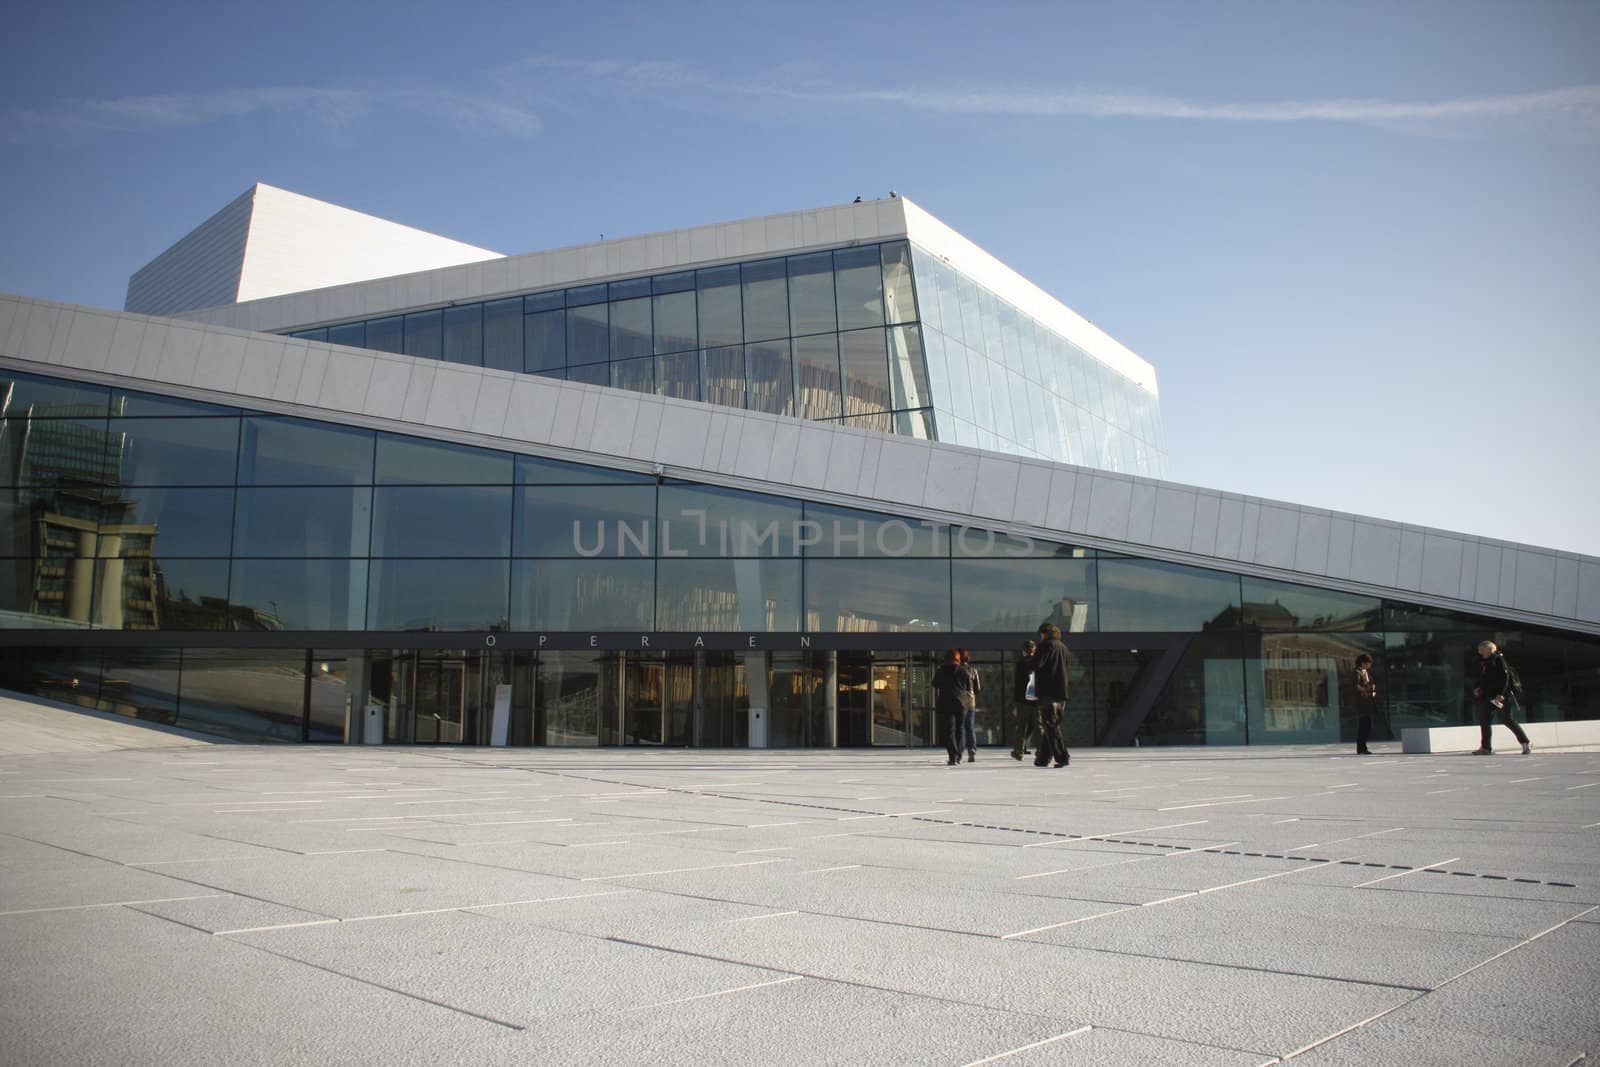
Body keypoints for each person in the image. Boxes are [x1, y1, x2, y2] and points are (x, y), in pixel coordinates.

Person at [1471, 640, 1531, 755]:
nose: (1480, 653)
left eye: (1482, 651)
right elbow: (1482, 678)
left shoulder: (1498, 660)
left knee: (1507, 719)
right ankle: (1486, 747)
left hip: (1500, 696)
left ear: (1489, 650)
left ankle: (1525, 742)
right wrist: (1478, 687)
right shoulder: (1483, 662)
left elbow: (1505, 678)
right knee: (1485, 719)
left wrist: (1501, 694)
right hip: (1488, 696)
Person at [1031, 622, 1070, 767]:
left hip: (1048, 691)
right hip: (1061, 692)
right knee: (1051, 725)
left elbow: (1036, 664)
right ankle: (1043, 758)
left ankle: (1062, 757)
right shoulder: (1063, 647)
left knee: (1051, 726)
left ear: (1045, 633)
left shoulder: (1045, 646)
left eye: (1041, 634)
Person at [931, 650, 972, 766]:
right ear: (958, 658)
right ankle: (959, 755)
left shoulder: (941, 670)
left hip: (946, 702)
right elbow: (969, 686)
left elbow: (935, 683)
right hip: (962, 703)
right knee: (960, 729)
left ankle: (952, 756)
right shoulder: (963, 670)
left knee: (949, 730)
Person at [1010, 639, 1038, 761]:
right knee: (1039, 726)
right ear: (1034, 650)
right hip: (1037, 700)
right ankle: (1043, 750)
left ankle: (1018, 751)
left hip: (1023, 700)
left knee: (1021, 727)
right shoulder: (1038, 663)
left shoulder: (1020, 664)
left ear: (1023, 651)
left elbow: (1018, 684)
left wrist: (1016, 703)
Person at [958, 649, 980, 762]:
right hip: (971, 701)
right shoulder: (973, 670)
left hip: (960, 701)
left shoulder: (957, 670)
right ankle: (972, 749)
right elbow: (977, 689)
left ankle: (960, 751)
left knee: (960, 727)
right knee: (970, 727)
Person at [1353, 653, 1378, 755]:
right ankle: (1361, 747)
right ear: (1363, 663)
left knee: (1366, 725)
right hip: (1361, 702)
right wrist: (1367, 689)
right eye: (1368, 663)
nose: (1369, 666)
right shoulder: (1357, 672)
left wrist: (1372, 688)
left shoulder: (1365, 672)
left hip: (1367, 701)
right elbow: (1356, 686)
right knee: (1365, 725)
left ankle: (1363, 747)